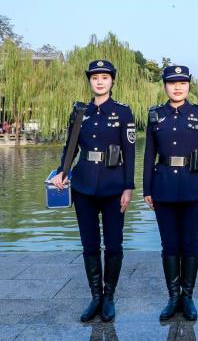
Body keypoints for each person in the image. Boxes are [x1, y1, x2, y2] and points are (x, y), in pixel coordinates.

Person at [51, 59, 135, 323]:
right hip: (84, 186)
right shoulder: (80, 111)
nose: (100, 82)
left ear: (112, 81)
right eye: (95, 77)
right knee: (89, 244)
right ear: (89, 81)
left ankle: (109, 297)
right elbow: (71, 146)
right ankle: (95, 297)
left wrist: (128, 187)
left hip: (113, 186)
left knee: (113, 244)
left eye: (105, 77)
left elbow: (130, 153)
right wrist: (62, 171)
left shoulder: (123, 112)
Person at [143, 65, 198, 321]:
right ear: (165, 86)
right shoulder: (155, 114)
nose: (177, 87)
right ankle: (173, 297)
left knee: (190, 243)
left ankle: (188, 297)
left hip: (193, 185)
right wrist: (147, 188)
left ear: (188, 86)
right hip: (162, 186)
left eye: (182, 83)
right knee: (169, 244)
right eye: (172, 83)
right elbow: (149, 154)